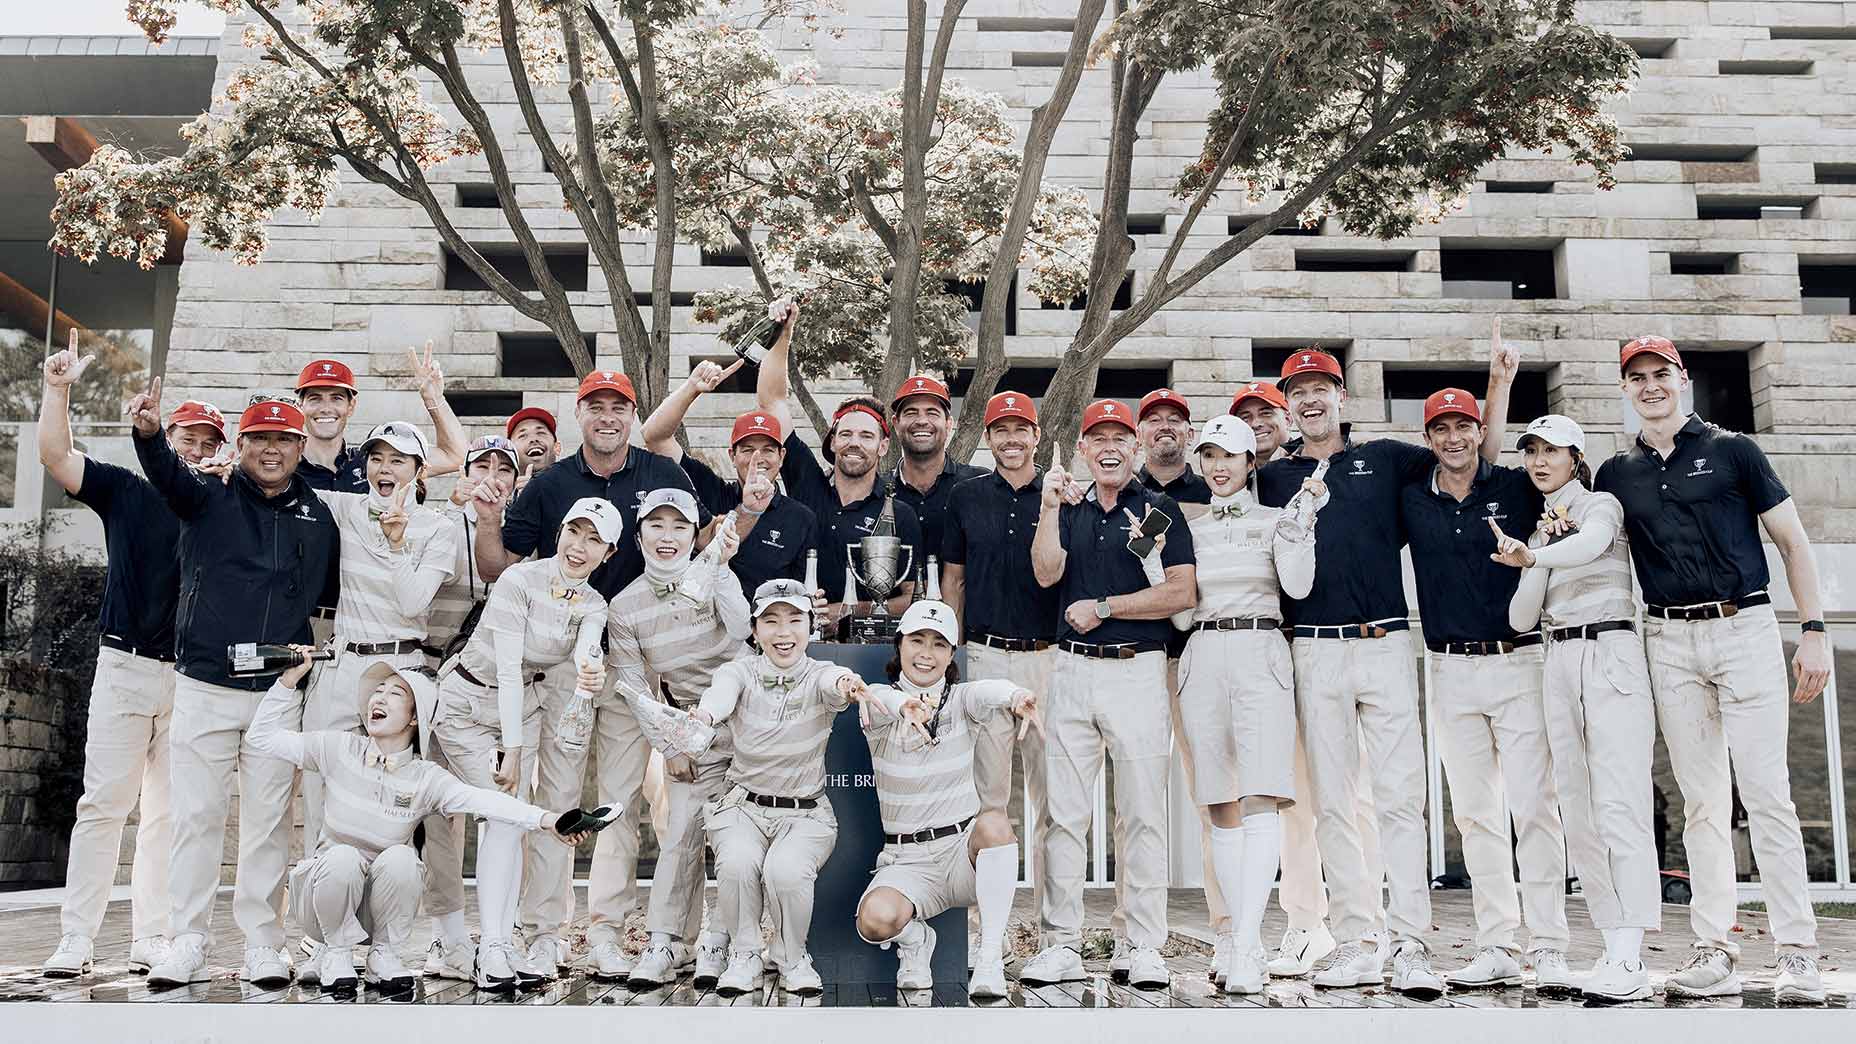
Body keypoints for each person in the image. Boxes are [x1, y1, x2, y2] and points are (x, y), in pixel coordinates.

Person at [1255, 327, 1515, 998]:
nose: (1309, 401)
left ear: (1342, 397)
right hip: (1315, 647)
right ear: (1287, 406)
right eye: (1298, 393)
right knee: (1336, 806)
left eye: (1320, 389)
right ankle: (1354, 940)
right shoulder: (1273, 475)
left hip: (1387, 643)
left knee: (1401, 799)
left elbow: (1470, 459)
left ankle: (1411, 944)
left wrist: (1498, 387)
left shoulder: (1391, 460)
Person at [1595, 336, 1830, 1004]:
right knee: (1702, 802)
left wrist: (1812, 630)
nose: (1649, 386)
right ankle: (1715, 947)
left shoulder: (1734, 451)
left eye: (1660, 374)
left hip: (1745, 627)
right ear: (1625, 388)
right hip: (1669, 638)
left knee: (1766, 793)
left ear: (1682, 379)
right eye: (1636, 377)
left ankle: (1798, 953)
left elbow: (1792, 542)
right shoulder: (1616, 473)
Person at [473, 367, 701, 981]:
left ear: (633, 415)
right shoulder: (549, 484)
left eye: (618, 408)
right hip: (559, 666)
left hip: (628, 659)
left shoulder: (663, 476)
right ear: (579, 413)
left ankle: (604, 929)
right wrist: (488, 519)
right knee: (557, 800)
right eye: (595, 407)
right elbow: (501, 566)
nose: (607, 418)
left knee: (620, 803)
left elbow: (691, 556)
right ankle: (544, 931)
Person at [125, 391, 338, 989]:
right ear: (239, 446)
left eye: (283, 440)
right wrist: (147, 435)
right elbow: (167, 475)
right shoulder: (207, 494)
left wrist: (310, 659)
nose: (271, 450)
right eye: (259, 439)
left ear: (300, 449)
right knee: (196, 817)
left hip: (277, 692)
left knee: (270, 824)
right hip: (204, 684)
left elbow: (323, 599)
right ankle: (187, 939)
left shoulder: (317, 515)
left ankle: (262, 944)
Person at [34, 349, 223, 979]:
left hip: (190, 678)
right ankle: (76, 937)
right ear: (163, 440)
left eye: (206, 443)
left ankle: (153, 935)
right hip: (126, 664)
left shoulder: (217, 510)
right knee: (103, 805)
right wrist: (55, 389)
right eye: (186, 438)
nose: (194, 450)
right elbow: (57, 458)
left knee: (168, 815)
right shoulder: (126, 490)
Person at [246, 653, 595, 994]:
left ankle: (383, 954)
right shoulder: (337, 747)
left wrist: (549, 820)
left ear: (414, 719)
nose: (378, 698)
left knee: (403, 860)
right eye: (377, 690)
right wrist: (286, 682)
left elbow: (486, 800)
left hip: (378, 907)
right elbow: (260, 738)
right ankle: (336, 953)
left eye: (394, 694)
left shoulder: (426, 778)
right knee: (344, 857)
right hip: (322, 902)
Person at [1398, 389, 1571, 992]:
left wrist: (1503, 380)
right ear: (1429, 439)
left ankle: (1548, 944)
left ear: (1480, 432)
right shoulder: (1412, 497)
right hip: (1448, 667)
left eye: (1463, 427)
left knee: (1534, 808)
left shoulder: (1518, 487)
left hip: (1518, 662)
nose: (1453, 438)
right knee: (1474, 815)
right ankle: (1497, 942)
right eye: (1441, 429)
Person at [1021, 398, 1196, 991]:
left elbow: (1181, 593)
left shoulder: (1159, 509)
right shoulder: (1066, 508)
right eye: (1098, 439)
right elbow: (1046, 573)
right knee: (1065, 817)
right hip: (1070, 671)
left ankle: (1143, 945)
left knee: (1143, 813)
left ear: (1137, 448)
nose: (1110, 447)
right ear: (1083, 450)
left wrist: (1106, 607)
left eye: (1121, 438)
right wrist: (1048, 507)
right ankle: (1061, 943)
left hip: (1137, 669)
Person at [1490, 414, 1660, 1002]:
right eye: (1531, 451)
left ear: (1574, 458)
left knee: (1621, 803)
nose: (1538, 461)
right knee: (1580, 809)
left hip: (1609, 649)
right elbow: (1518, 619)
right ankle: (1614, 947)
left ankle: (1633, 956)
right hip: (1556, 659)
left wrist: (1537, 558)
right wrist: (1529, 556)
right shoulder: (1539, 535)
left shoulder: (1599, 505)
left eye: (1551, 451)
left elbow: (1591, 545)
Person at [423, 497, 619, 989]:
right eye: (575, 532)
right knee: (504, 819)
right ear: (559, 532)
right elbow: (508, 667)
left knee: (507, 821)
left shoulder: (595, 603)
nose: (580, 546)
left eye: (594, 539)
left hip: (524, 712)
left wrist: (589, 669)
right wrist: (511, 749)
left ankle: (498, 941)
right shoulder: (519, 580)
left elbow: (586, 646)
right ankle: (490, 946)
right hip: (467, 705)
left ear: (609, 552)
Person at [1230, 377, 1380, 980]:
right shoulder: (1246, 481)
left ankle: (1371, 922)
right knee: (1292, 795)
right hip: (1271, 653)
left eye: (1266, 412)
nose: (1259, 422)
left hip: (1328, 644)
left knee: (1352, 792)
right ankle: (1304, 924)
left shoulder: (1316, 470)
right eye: (1247, 416)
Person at [1172, 417, 1327, 993]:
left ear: (1249, 462)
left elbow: (1301, 587)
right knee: (1220, 803)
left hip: (1262, 647)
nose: (1219, 466)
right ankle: (1242, 938)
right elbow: (1183, 613)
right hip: (1203, 650)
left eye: (1230, 456)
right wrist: (1148, 560)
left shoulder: (1275, 519)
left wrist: (1300, 527)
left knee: (1261, 797)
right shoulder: (1187, 528)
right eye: (1210, 456)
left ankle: (1246, 943)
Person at [853, 600, 1040, 998]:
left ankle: (989, 957)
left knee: (994, 823)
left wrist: (1017, 695)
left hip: (960, 852)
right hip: (907, 862)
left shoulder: (961, 698)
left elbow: (990, 691)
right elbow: (881, 699)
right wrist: (905, 706)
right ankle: (916, 941)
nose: (926, 653)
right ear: (899, 644)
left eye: (939, 644)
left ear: (951, 654)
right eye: (917, 640)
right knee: (873, 922)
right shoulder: (880, 702)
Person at [605, 489, 752, 989]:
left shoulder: (712, 575)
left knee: (738, 842)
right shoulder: (624, 607)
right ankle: (667, 941)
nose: (667, 538)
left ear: (695, 534)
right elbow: (632, 686)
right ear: (640, 532)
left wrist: (722, 568)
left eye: (680, 528)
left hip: (751, 724)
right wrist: (669, 747)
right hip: (689, 730)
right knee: (682, 835)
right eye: (657, 526)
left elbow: (742, 627)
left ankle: (725, 941)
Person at [693, 578, 865, 996]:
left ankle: (790, 957)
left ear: (810, 626)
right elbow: (721, 694)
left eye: (794, 620)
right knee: (736, 863)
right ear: (754, 629)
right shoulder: (737, 671)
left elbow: (836, 681)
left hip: (804, 815)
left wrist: (847, 684)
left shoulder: (821, 672)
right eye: (770, 621)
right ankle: (746, 954)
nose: (783, 632)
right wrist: (704, 717)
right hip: (743, 806)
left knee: (785, 871)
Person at [298, 420, 458, 863]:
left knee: (388, 803)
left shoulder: (437, 529)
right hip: (340, 666)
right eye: (376, 458)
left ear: (419, 471)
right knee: (319, 793)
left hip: (398, 672)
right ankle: (321, 919)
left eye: (397, 460)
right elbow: (277, 480)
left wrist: (398, 542)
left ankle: (378, 924)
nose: (384, 468)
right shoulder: (347, 508)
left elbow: (412, 602)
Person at [754, 306, 924, 633]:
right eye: (845, 434)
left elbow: (911, 598)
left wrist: (847, 611)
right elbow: (772, 402)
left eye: (866, 435)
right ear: (832, 443)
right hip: (800, 646)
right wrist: (784, 333)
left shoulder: (899, 513)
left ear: (883, 446)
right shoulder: (807, 487)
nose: (854, 443)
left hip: (871, 650)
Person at [940, 391, 1058, 829]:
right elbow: (954, 580)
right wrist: (954, 652)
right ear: (988, 438)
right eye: (1001, 431)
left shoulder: (1058, 494)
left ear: (1036, 435)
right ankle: (986, 902)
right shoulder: (965, 496)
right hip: (985, 656)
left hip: (1047, 660)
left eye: (1020, 430)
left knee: (1052, 803)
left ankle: (1050, 903)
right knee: (986, 802)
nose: (1012, 439)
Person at [640, 358, 820, 598]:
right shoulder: (709, 489)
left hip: (764, 632)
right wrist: (691, 388)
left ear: (782, 456)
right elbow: (655, 437)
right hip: (702, 629)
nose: (758, 458)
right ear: (732, 455)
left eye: (768, 450)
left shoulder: (801, 518)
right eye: (747, 450)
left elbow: (802, 593)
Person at [294, 348, 469, 492]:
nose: (325, 408)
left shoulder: (373, 461)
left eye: (336, 398)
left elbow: (456, 456)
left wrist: (434, 399)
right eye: (315, 398)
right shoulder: (283, 468)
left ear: (351, 406)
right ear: (300, 406)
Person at [424, 436, 520, 665]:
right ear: (464, 473)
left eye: (504, 469)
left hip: (493, 667)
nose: (492, 475)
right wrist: (455, 505)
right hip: (434, 659)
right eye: (482, 467)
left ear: (516, 481)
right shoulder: (440, 520)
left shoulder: (521, 534)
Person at [885, 374, 987, 563]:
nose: (922, 420)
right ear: (896, 423)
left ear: (949, 424)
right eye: (911, 412)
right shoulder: (877, 490)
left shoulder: (981, 485)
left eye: (932, 412)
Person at [1136, 388, 1211, 504]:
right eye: (1154, 420)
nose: (1165, 426)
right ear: (1139, 435)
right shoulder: (1122, 492)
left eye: (1174, 420)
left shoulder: (1212, 493)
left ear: (1190, 435)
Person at [506, 405, 560, 493]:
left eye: (541, 433)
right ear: (512, 453)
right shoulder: (501, 499)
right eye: (522, 435)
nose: (533, 439)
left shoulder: (577, 487)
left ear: (557, 447)